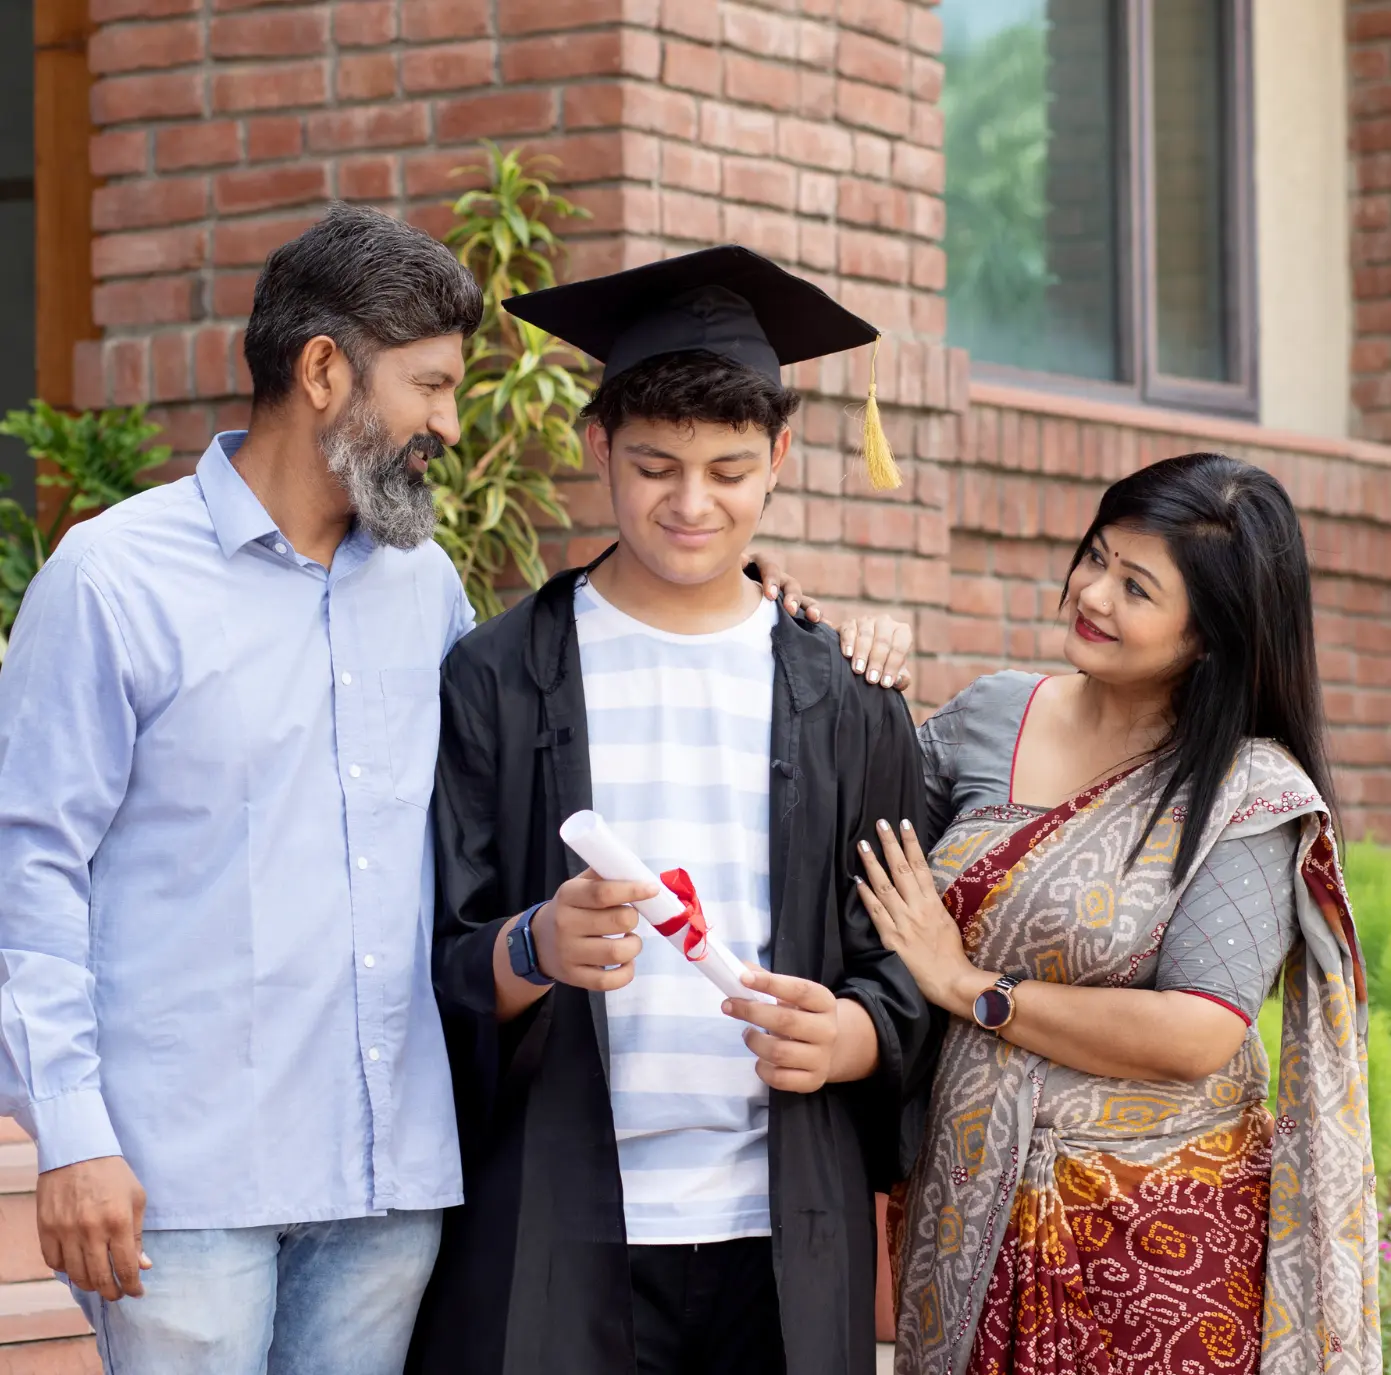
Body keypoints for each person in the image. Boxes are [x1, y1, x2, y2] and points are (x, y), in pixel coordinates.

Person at [408, 245, 945, 1375]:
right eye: (654, 465)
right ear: (596, 444)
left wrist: (848, 1037)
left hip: (780, 1227)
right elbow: (429, 957)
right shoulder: (497, 678)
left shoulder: (848, 698)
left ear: (780, 460)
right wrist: (533, 944)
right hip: (549, 1226)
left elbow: (909, 962)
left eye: (729, 469)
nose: (691, 504)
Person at [0, 204, 484, 1374]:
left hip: (386, 1182)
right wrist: (68, 1137)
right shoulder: (114, 579)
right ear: (324, 371)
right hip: (182, 1185)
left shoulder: (427, 590)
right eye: (429, 386)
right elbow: (30, 869)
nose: (449, 426)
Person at [853, 453, 1377, 1374]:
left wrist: (972, 988)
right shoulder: (992, 714)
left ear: (1210, 634)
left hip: (1154, 1246)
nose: (1090, 594)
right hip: (960, 1194)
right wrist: (838, 646)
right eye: (1095, 557)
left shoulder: (1245, 792)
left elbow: (1197, 1031)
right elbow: (853, 825)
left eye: (1135, 586)